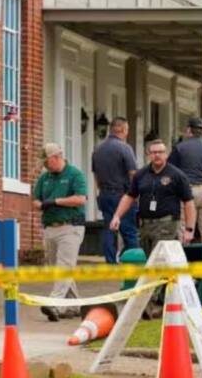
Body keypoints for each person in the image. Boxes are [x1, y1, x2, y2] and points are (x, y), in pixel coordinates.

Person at [110, 140, 197, 257]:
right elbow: (129, 196)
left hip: (167, 225)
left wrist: (189, 229)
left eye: (160, 152)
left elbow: (189, 203)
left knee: (159, 260)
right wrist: (117, 216)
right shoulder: (140, 175)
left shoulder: (177, 175)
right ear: (149, 155)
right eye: (154, 152)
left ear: (166, 154)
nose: (157, 155)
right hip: (145, 226)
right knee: (148, 261)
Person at [33, 143, 88, 322]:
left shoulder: (75, 175)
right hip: (50, 227)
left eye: (47, 162)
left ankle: (54, 303)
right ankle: (75, 306)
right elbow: (35, 199)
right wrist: (40, 204)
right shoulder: (44, 178)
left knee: (64, 266)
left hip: (70, 227)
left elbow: (81, 199)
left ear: (56, 157)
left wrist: (56, 201)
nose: (45, 166)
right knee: (58, 268)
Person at [91, 117, 139, 264]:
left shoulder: (98, 149)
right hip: (122, 195)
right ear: (123, 129)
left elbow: (96, 176)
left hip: (105, 194)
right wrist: (135, 195)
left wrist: (101, 191)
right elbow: (133, 174)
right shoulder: (125, 148)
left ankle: (110, 263)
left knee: (109, 229)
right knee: (129, 231)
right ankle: (134, 262)